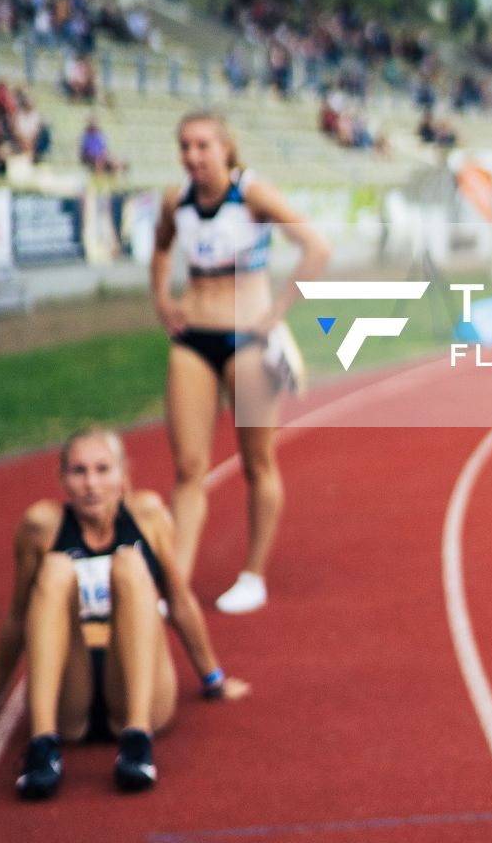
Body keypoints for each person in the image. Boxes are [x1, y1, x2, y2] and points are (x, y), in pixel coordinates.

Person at [0, 426, 247, 800]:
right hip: (72, 695)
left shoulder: (148, 515)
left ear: (124, 475)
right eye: (79, 471)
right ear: (62, 478)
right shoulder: (41, 526)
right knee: (57, 570)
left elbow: (180, 600)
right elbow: (18, 614)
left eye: (102, 470)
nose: (91, 483)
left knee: (130, 565)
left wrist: (213, 679)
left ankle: (136, 742)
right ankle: (43, 745)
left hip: (136, 688)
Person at [152, 111, 329, 613]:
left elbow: (316, 246)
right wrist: (161, 299)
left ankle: (253, 574)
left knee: (257, 462)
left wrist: (276, 312)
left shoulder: (252, 195)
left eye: (203, 145)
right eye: (185, 146)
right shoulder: (176, 200)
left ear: (226, 149)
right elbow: (161, 249)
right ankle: (178, 584)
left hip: (248, 341)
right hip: (193, 341)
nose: (193, 156)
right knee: (188, 467)